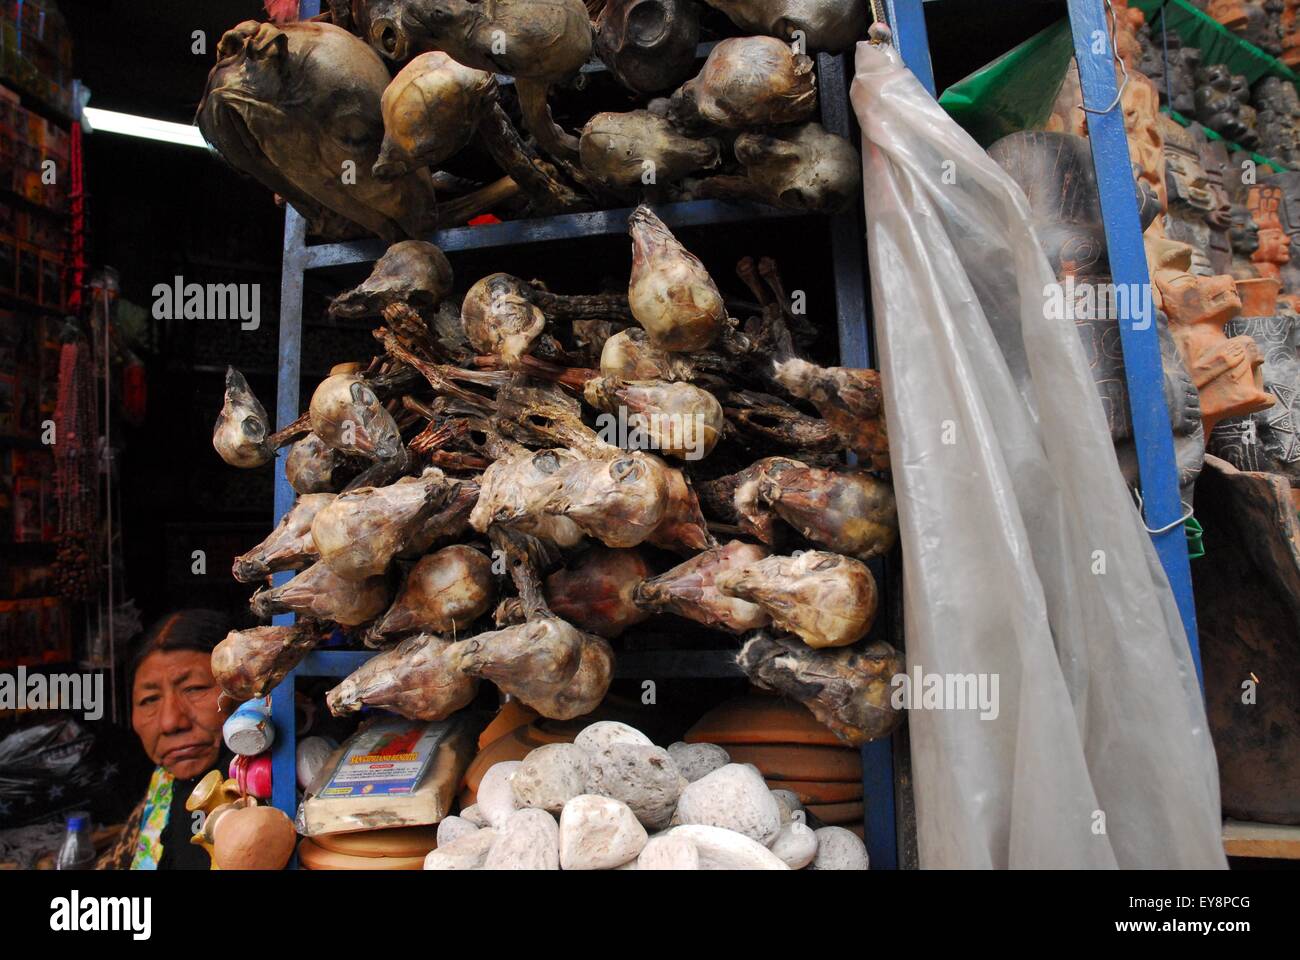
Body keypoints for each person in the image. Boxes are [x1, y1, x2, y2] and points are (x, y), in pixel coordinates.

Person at [96, 609, 235, 870]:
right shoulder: (163, 786)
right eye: (149, 700)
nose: (171, 722)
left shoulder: (268, 791)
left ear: (243, 688)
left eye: (194, 688)